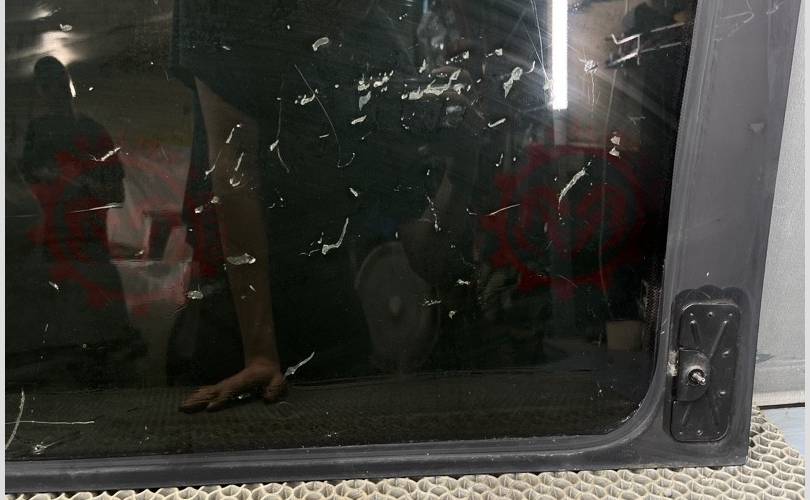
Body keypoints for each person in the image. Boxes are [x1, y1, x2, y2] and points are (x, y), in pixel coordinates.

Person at [17, 56, 140, 387]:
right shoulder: (41, 132)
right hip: (59, 245)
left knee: (95, 328)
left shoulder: (91, 131)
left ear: (67, 84)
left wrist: (81, 182)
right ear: (41, 90)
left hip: (86, 245)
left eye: (57, 82)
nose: (54, 90)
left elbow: (115, 192)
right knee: (66, 331)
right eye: (47, 84)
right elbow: (28, 182)